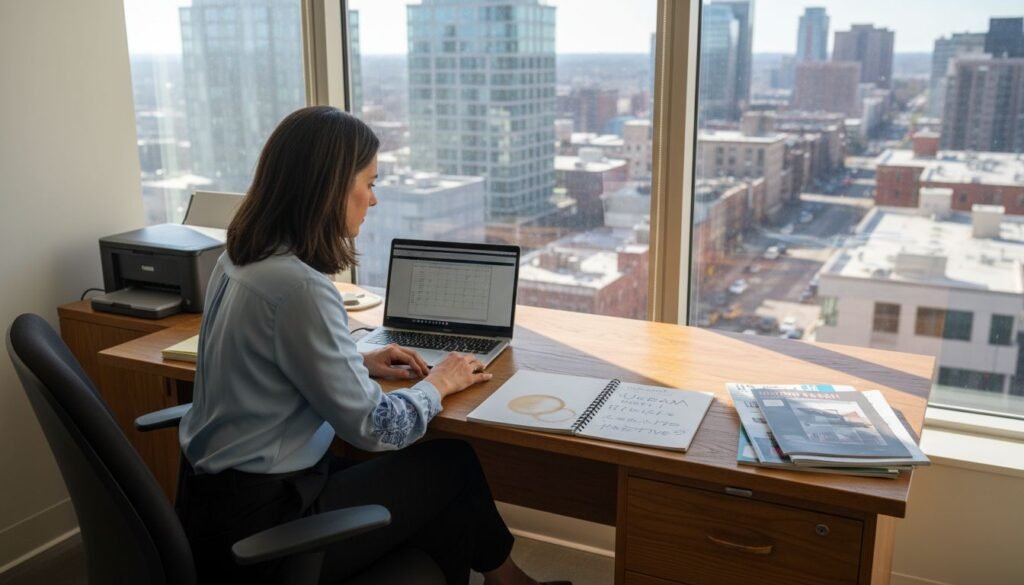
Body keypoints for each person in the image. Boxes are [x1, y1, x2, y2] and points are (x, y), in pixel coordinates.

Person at [177, 106, 566, 585]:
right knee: (452, 466)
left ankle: (505, 582)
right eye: (370, 182)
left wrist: (357, 360)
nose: (374, 200)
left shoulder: (240, 257)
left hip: (214, 505)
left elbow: (263, 364)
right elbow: (376, 428)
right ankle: (510, 582)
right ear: (329, 187)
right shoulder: (300, 287)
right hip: (268, 525)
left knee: (433, 486)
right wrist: (440, 383)